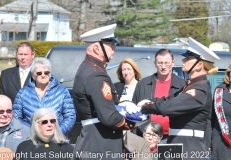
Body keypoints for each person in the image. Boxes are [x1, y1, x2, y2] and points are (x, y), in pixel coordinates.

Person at [140, 37, 220, 159]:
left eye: (188, 58)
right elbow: (167, 100)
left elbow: (169, 107)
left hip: (188, 147)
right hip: (177, 144)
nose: (183, 60)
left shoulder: (199, 90)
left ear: (199, 65)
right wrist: (148, 101)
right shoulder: (190, 86)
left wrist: (144, 107)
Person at [72, 24, 135, 160]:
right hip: (100, 144)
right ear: (96, 48)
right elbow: (110, 117)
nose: (114, 48)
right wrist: (134, 121)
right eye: (110, 45)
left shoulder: (90, 69)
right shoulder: (95, 74)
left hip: (95, 140)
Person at [132, 49, 186, 141]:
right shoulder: (143, 84)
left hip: (171, 137)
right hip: (145, 137)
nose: (163, 67)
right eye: (160, 63)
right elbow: (134, 111)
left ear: (173, 63)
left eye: (167, 63)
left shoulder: (182, 85)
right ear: (155, 63)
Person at [13, 57, 76, 135]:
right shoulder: (23, 93)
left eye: (46, 72)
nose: (43, 75)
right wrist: (32, 133)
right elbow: (16, 118)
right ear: (33, 76)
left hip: (56, 139)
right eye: (39, 73)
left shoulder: (62, 91)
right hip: (31, 139)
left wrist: (56, 133)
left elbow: (70, 117)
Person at [205, 64, 231, 160]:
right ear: (229, 74)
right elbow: (210, 119)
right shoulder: (220, 91)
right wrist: (208, 141)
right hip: (220, 144)